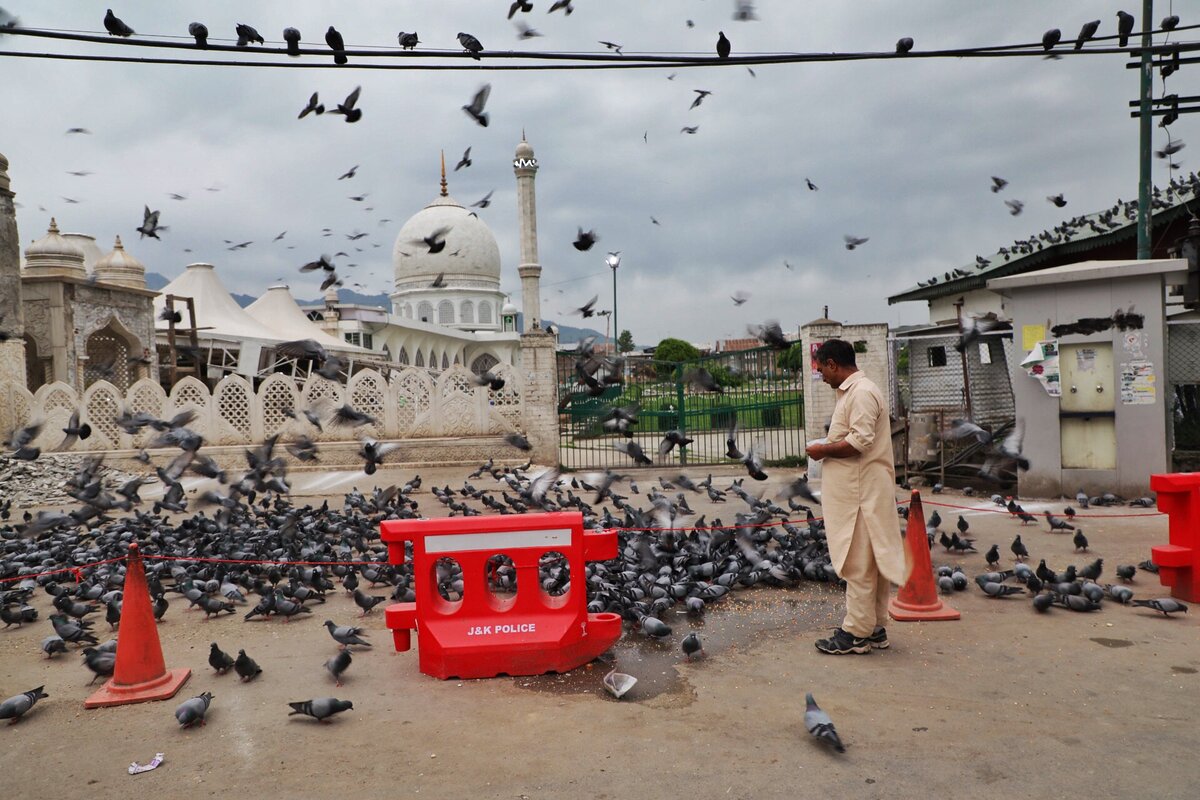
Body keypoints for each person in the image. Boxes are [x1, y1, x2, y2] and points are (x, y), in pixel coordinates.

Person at [805, 339, 908, 655]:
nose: (821, 376)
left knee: (858, 563)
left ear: (833, 364)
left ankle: (856, 633)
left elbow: (859, 441)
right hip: (863, 491)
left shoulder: (861, 393)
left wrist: (821, 450)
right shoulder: (856, 392)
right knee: (872, 562)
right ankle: (875, 627)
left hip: (861, 495)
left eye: (822, 369)